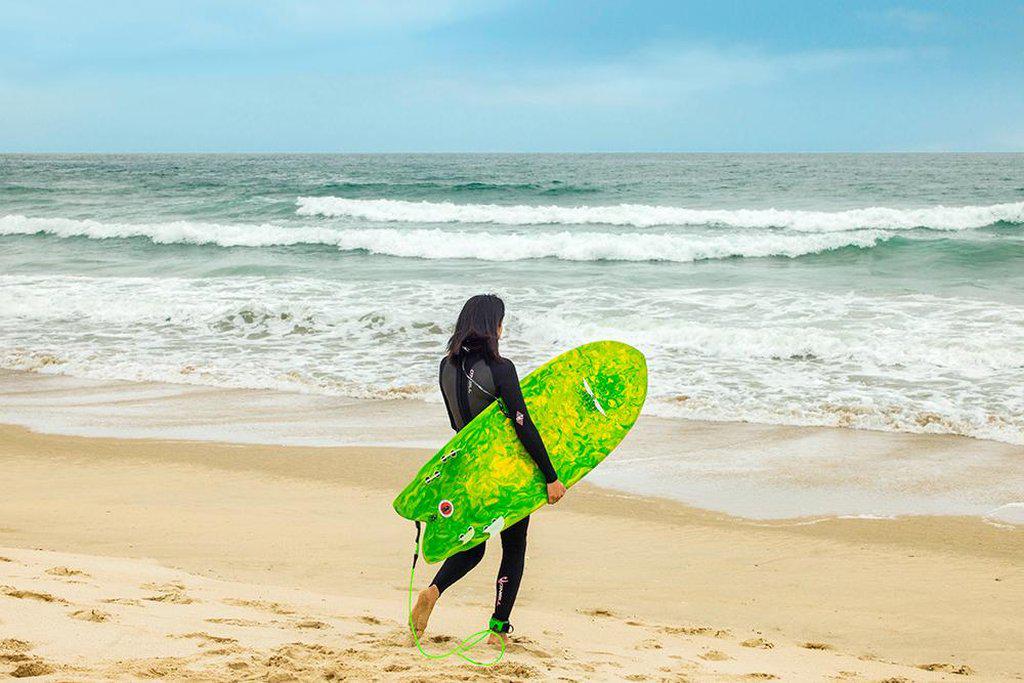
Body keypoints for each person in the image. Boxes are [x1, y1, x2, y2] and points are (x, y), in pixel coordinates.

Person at [410, 294, 566, 647]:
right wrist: (550, 476)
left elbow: (456, 425)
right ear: (491, 325)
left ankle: (433, 591)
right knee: (513, 548)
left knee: (474, 545)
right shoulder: (501, 368)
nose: (502, 328)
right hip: (503, 474)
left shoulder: (444, 367)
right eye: (500, 321)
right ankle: (498, 630)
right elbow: (523, 425)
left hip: (468, 471)